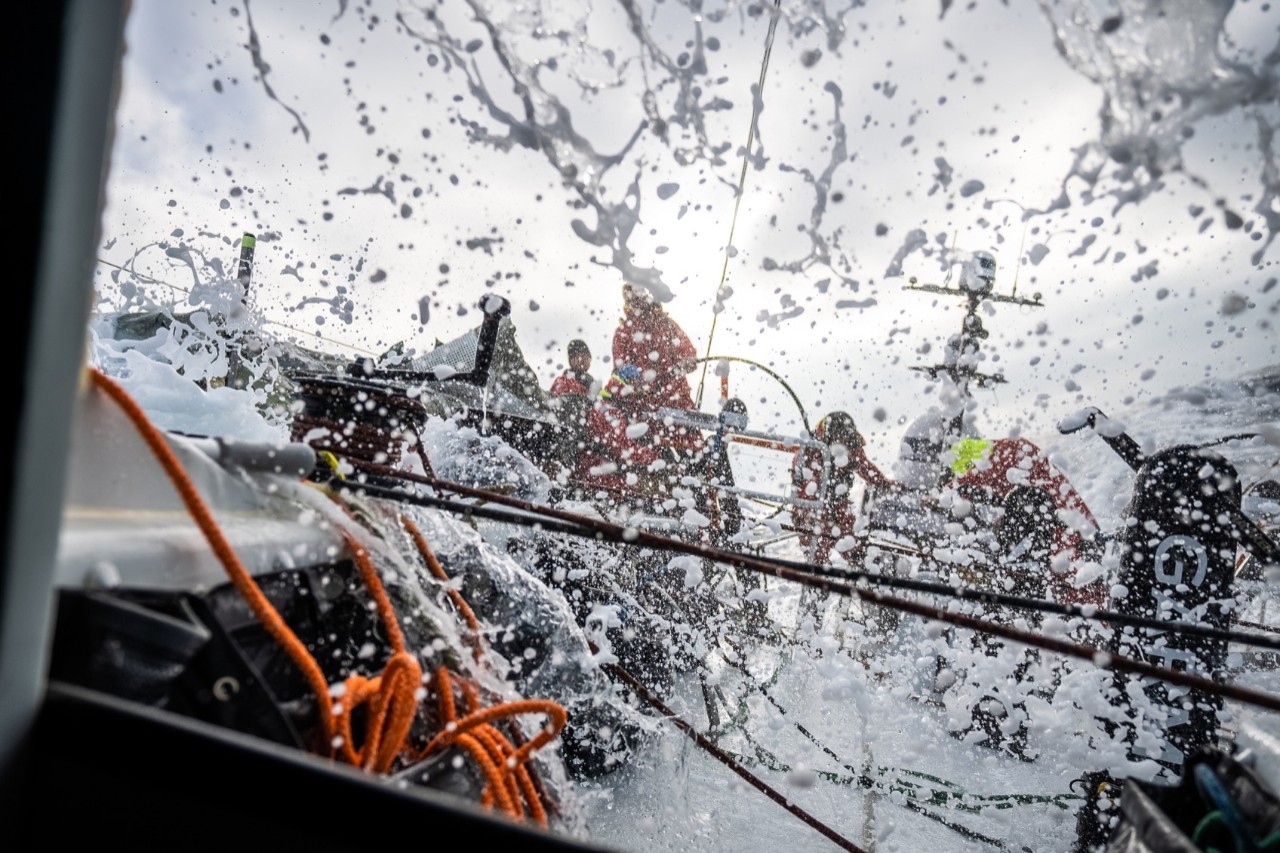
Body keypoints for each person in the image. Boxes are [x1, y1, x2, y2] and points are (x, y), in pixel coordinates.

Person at [790, 411, 893, 566]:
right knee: (817, 552)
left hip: (839, 505)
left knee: (852, 546)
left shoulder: (851, 447)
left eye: (845, 437)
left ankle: (869, 568)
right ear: (830, 434)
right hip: (811, 509)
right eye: (839, 437)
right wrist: (819, 516)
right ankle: (818, 579)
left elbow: (865, 467)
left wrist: (884, 484)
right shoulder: (809, 451)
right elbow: (805, 492)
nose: (842, 441)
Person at [612, 283, 698, 412]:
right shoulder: (623, 332)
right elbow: (620, 371)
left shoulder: (666, 323)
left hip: (677, 401)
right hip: (644, 407)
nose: (635, 300)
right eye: (631, 296)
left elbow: (688, 353)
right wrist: (632, 379)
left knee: (688, 431)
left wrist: (687, 361)